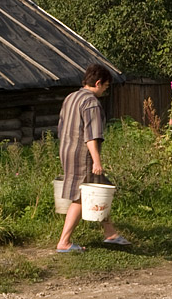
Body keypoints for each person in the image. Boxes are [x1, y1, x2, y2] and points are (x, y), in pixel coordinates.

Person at [56, 63, 130, 252]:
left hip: (66, 149)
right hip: (82, 153)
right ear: (98, 83)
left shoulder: (71, 97)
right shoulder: (91, 103)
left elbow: (61, 127)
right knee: (82, 196)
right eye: (105, 86)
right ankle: (64, 242)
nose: (106, 90)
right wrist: (97, 160)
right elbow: (91, 135)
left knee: (98, 189)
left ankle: (110, 233)